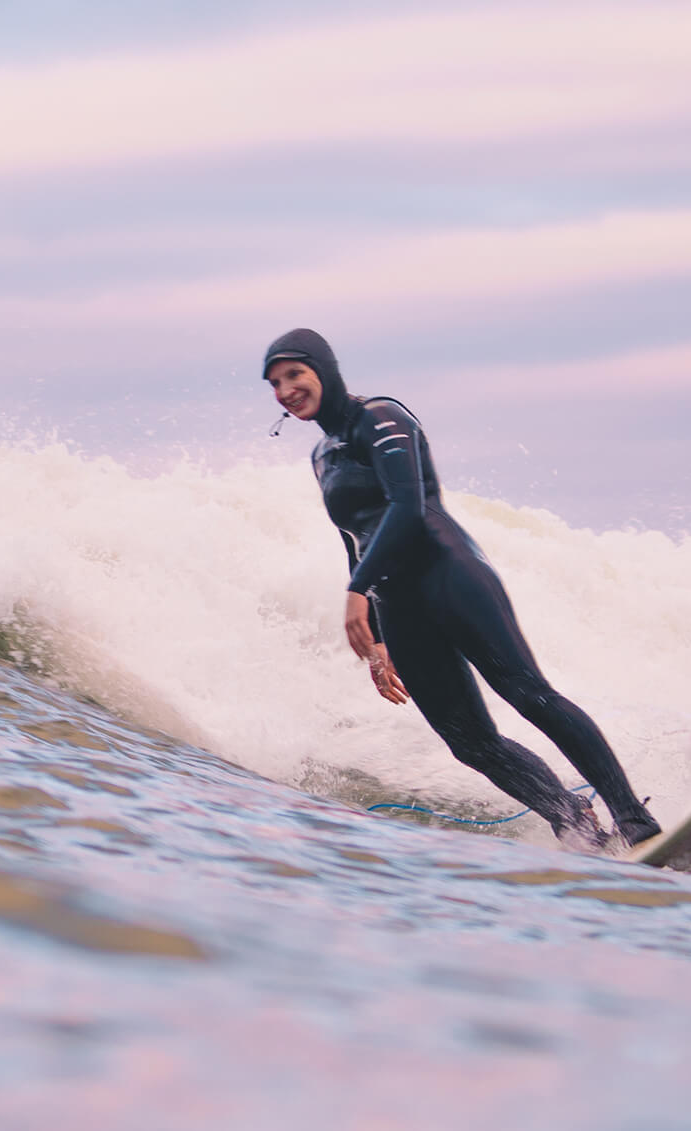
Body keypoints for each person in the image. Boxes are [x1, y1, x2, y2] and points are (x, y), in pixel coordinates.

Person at [262, 327, 661, 850]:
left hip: (447, 574)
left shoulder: (382, 418)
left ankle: (634, 821)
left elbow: (406, 507)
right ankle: (575, 821)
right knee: (469, 741)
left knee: (529, 695)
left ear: (325, 369)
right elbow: (354, 540)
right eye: (273, 383)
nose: (285, 390)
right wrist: (378, 638)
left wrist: (357, 591)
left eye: (295, 373)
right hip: (397, 603)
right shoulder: (322, 456)